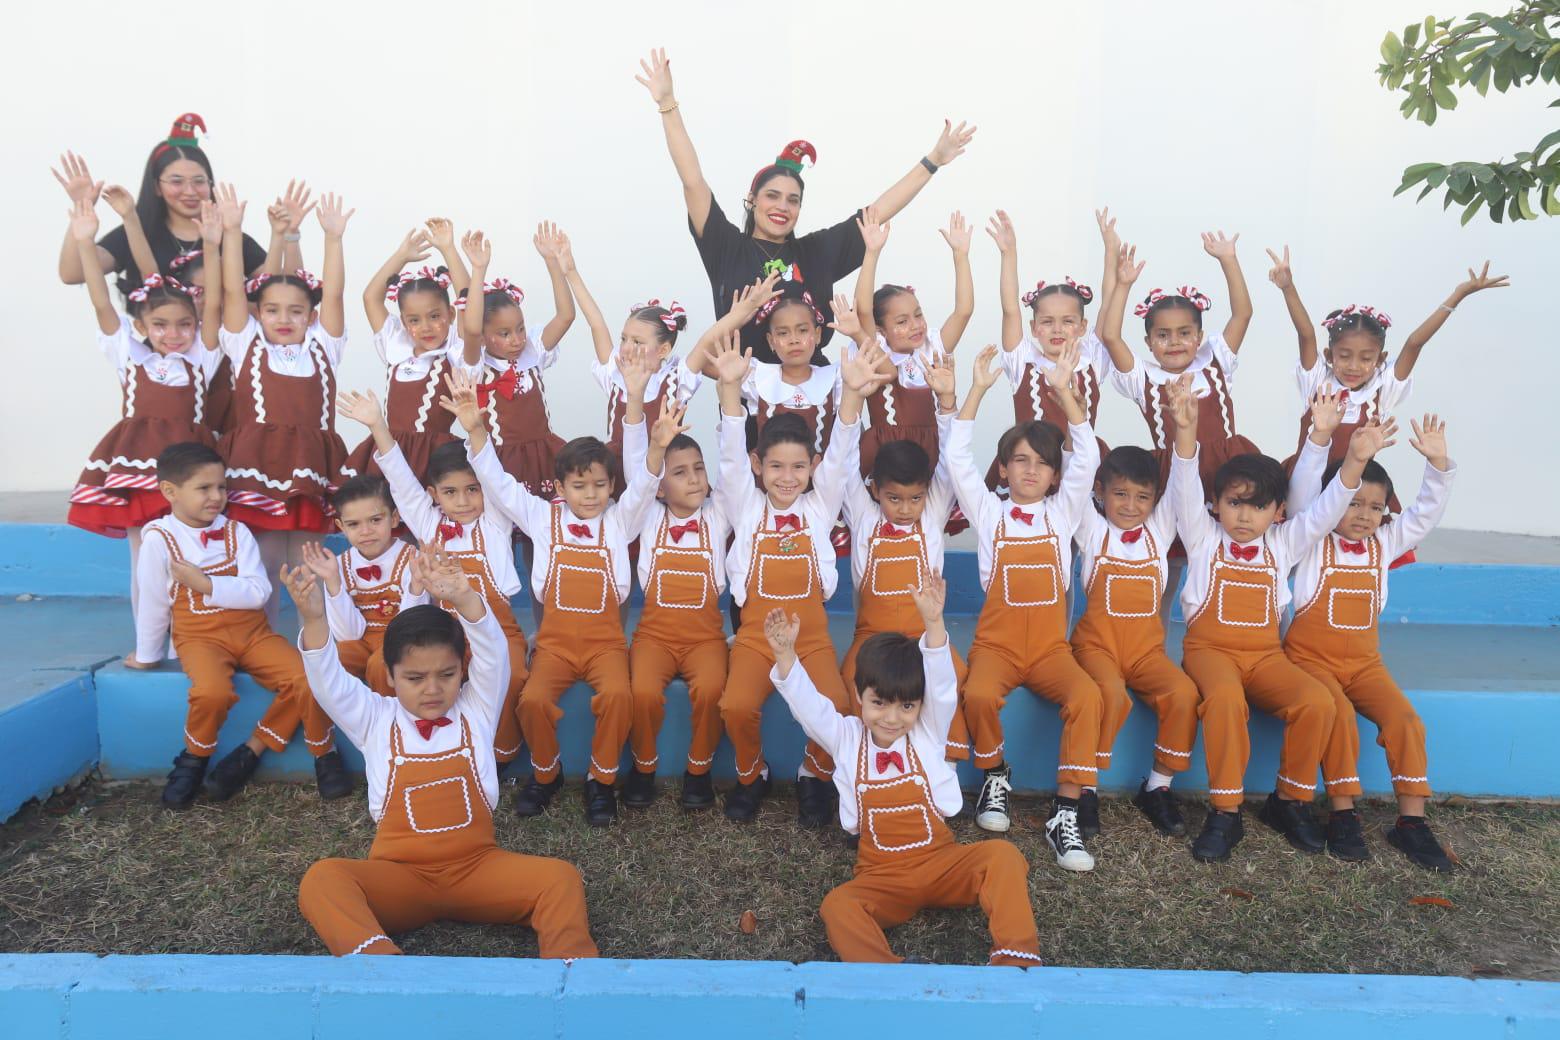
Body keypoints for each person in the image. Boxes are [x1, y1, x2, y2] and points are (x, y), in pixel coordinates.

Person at [287, 544, 598, 960]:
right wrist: (313, 619)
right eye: (415, 677)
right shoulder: (373, 718)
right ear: (391, 677)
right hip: (400, 878)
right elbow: (327, 680)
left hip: (478, 870)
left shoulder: (478, 707)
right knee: (322, 879)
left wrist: (464, 597)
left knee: (559, 878)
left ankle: (570, 974)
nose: (432, 689)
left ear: (462, 671)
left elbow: (493, 653)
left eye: (446, 675)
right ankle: (381, 966)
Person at [1167, 378, 1394, 862]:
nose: (1244, 516)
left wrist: (1352, 458)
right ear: (1215, 505)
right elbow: (1183, 485)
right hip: (1209, 653)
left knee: (1316, 701)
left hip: (1267, 657)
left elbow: (1329, 506)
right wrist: (1185, 431)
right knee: (1225, 701)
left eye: (1258, 506)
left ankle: (1287, 802)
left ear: (1279, 511)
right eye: (1234, 503)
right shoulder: (1203, 537)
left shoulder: (1286, 543)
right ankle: (1225, 813)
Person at [635, 47, 975, 363]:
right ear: (752, 200)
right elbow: (692, 179)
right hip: (745, 393)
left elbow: (878, 211)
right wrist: (668, 104)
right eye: (772, 196)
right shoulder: (725, 247)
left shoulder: (815, 252)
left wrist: (933, 161)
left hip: (816, 392)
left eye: (793, 200)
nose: (782, 206)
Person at [767, 576, 1041, 966]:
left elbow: (943, 685)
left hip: (942, 863)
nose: (892, 718)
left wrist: (933, 623)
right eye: (878, 703)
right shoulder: (845, 738)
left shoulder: (929, 731)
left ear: (919, 706)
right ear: (859, 696)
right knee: (838, 905)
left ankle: (1016, 958)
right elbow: (810, 708)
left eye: (906, 707)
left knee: (1002, 856)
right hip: (882, 876)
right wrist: (785, 657)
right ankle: (886, 973)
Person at [447, 353, 668, 826]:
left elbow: (647, 482)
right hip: (554, 646)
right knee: (531, 701)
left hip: (607, 645)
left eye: (600, 485)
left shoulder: (620, 522)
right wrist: (476, 431)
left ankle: (601, 780)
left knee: (619, 698)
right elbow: (498, 483)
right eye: (579, 486)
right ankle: (545, 773)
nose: (590, 495)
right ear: (561, 487)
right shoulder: (542, 518)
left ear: (611, 488)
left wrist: (646, 425)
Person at [710, 329, 881, 826]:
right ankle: (750, 775)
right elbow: (728, 452)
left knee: (838, 707)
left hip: (811, 638)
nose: (788, 477)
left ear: (813, 468)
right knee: (736, 706)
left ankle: (815, 773)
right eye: (777, 467)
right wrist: (727, 391)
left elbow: (844, 439)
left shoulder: (820, 506)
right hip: (755, 637)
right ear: (759, 466)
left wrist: (850, 394)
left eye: (799, 468)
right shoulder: (745, 503)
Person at [941, 344, 1102, 871]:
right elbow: (956, 459)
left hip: (1051, 650)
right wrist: (978, 391)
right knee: (980, 693)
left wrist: (1065, 397)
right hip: (999, 646)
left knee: (1086, 695)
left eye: (1042, 464)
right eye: (1020, 461)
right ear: (1005, 469)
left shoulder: (1063, 515)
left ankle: (1066, 809)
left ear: (1056, 476)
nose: (1031, 471)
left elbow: (1089, 458)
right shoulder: (988, 513)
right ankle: (994, 777)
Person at [126, 442, 350, 809]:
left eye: (221, 487)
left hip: (253, 635)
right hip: (200, 639)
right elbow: (154, 601)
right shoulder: (158, 540)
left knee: (308, 677)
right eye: (204, 488)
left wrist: (206, 585)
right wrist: (149, 654)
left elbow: (259, 591)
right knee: (211, 692)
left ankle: (319, 754)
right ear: (169, 491)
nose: (216, 496)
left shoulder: (237, 532)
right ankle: (194, 759)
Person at [1284, 406, 1458, 869]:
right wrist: (1325, 440)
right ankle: (1342, 813)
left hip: (1365, 664)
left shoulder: (1385, 543)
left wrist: (1438, 467)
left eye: (1375, 507)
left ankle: (1411, 823)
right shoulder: (1311, 538)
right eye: (1353, 503)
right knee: (1337, 714)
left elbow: (1423, 515)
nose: (1364, 516)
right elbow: (1305, 493)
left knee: (1405, 721)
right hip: (1309, 659)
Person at [337, 391, 529, 773]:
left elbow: (492, 474)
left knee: (513, 676)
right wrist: (378, 425)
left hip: (497, 625)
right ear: (434, 495)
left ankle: (499, 755)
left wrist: (475, 429)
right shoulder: (428, 523)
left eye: (472, 490)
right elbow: (401, 480)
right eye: (451, 492)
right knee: (423, 675)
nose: (462, 501)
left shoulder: (495, 519)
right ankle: (412, 745)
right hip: (444, 630)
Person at [64, 196, 223, 626]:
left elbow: (212, 306)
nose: (173, 334)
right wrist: (85, 241)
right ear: (141, 327)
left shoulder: (200, 359)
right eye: (160, 325)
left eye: (183, 325)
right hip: (140, 465)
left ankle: (195, 631)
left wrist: (212, 245)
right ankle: (151, 637)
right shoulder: (131, 357)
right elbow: (101, 304)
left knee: (194, 551)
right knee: (145, 554)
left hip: (189, 463)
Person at [214, 184, 353, 614]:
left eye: (295, 311)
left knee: (307, 562)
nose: (284, 318)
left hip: (309, 465)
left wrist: (332, 238)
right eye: (272, 310)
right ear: (259, 314)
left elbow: (332, 293)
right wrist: (233, 232)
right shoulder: (245, 345)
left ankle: (317, 644)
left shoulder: (323, 345)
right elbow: (234, 292)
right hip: (259, 464)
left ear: (309, 317)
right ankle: (263, 637)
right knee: (265, 558)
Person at [839, 350, 971, 763]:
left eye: (914, 498)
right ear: (875, 490)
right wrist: (853, 394)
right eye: (894, 498)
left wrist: (947, 403)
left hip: (924, 634)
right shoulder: (862, 515)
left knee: (956, 674)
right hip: (870, 636)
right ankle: (861, 765)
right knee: (849, 679)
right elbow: (842, 463)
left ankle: (939, 768)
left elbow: (952, 463)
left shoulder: (931, 514)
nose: (905, 508)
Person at [1267, 245, 1506, 472]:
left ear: (1381, 359)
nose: (1353, 366)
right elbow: (1306, 333)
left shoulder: (1382, 389)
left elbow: (1415, 342)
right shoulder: (1318, 380)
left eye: (1366, 358)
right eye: (1344, 356)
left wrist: (1458, 295)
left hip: (1352, 497)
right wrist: (1288, 287)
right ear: (1329, 355)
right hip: (1304, 491)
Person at [1068, 445, 1199, 838]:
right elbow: (1075, 479)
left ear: (1155, 501)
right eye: (1120, 494)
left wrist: (1185, 428)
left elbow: (1183, 482)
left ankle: (1158, 786)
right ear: (1100, 493)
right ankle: (1086, 787)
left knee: (1183, 694)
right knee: (1107, 691)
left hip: (1146, 655)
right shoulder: (1093, 530)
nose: (1130, 506)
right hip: (1096, 648)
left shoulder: (1159, 532)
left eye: (1142, 497)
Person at [622, 413, 732, 811]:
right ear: (661, 488)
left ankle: (698, 770)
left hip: (705, 638)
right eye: (681, 473)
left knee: (712, 690)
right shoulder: (647, 516)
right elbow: (638, 478)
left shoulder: (719, 515)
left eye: (699, 469)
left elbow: (734, 464)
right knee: (644, 691)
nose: (695, 479)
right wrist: (653, 446)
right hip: (655, 637)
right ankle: (644, 766)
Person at [1097, 231, 1257, 499]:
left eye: (1184, 333)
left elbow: (1243, 313)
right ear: (1148, 342)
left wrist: (1228, 260)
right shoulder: (1144, 378)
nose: (1174, 342)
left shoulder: (1215, 362)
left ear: (1199, 337)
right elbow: (1111, 337)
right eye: (1162, 335)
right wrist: (1123, 285)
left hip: (1229, 470)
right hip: (1175, 477)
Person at [54, 115, 272, 296]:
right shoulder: (136, 232)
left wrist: (288, 234)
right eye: (177, 181)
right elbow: (72, 274)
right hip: (158, 348)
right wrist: (82, 206)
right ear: (156, 186)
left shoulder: (231, 237)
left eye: (199, 181)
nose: (190, 191)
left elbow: (278, 286)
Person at [986, 208, 1119, 485]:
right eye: (1047, 322)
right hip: (1030, 471)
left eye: (1068, 321)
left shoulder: (1092, 357)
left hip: (1079, 466)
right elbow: (1010, 309)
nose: (1057, 329)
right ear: (1034, 328)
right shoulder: (1022, 361)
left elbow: (1108, 300)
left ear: (1082, 327)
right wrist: (1008, 254)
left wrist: (1110, 250)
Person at [345, 219, 471, 480]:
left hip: (434, 455)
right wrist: (401, 256)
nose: (426, 327)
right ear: (403, 322)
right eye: (414, 320)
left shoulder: (454, 352)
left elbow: (468, 301)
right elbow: (370, 297)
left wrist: (448, 249)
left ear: (450, 314)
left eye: (435, 316)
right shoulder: (396, 346)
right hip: (390, 448)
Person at [851, 210, 973, 478]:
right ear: (881, 328)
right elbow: (862, 311)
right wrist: (871, 254)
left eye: (918, 315)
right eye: (902, 321)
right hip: (886, 451)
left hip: (932, 449)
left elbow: (963, 311)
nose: (915, 325)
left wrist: (960, 256)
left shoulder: (933, 346)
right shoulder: (876, 350)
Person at [456, 227, 575, 498]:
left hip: (542, 455)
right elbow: (472, 329)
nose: (517, 340)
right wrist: (478, 270)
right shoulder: (476, 366)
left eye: (520, 329)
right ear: (485, 338)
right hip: (500, 463)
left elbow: (566, 316)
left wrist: (552, 262)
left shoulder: (533, 354)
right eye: (504, 333)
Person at [298, 476, 427, 697]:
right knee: (322, 666)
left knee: (381, 665)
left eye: (375, 520)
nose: (365, 531)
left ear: (394, 518)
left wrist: (416, 586)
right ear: (341, 527)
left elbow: (411, 628)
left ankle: (389, 727)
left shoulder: (412, 559)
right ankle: (315, 732)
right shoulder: (337, 565)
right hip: (359, 644)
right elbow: (349, 634)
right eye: (354, 524)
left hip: (405, 642)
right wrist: (333, 582)